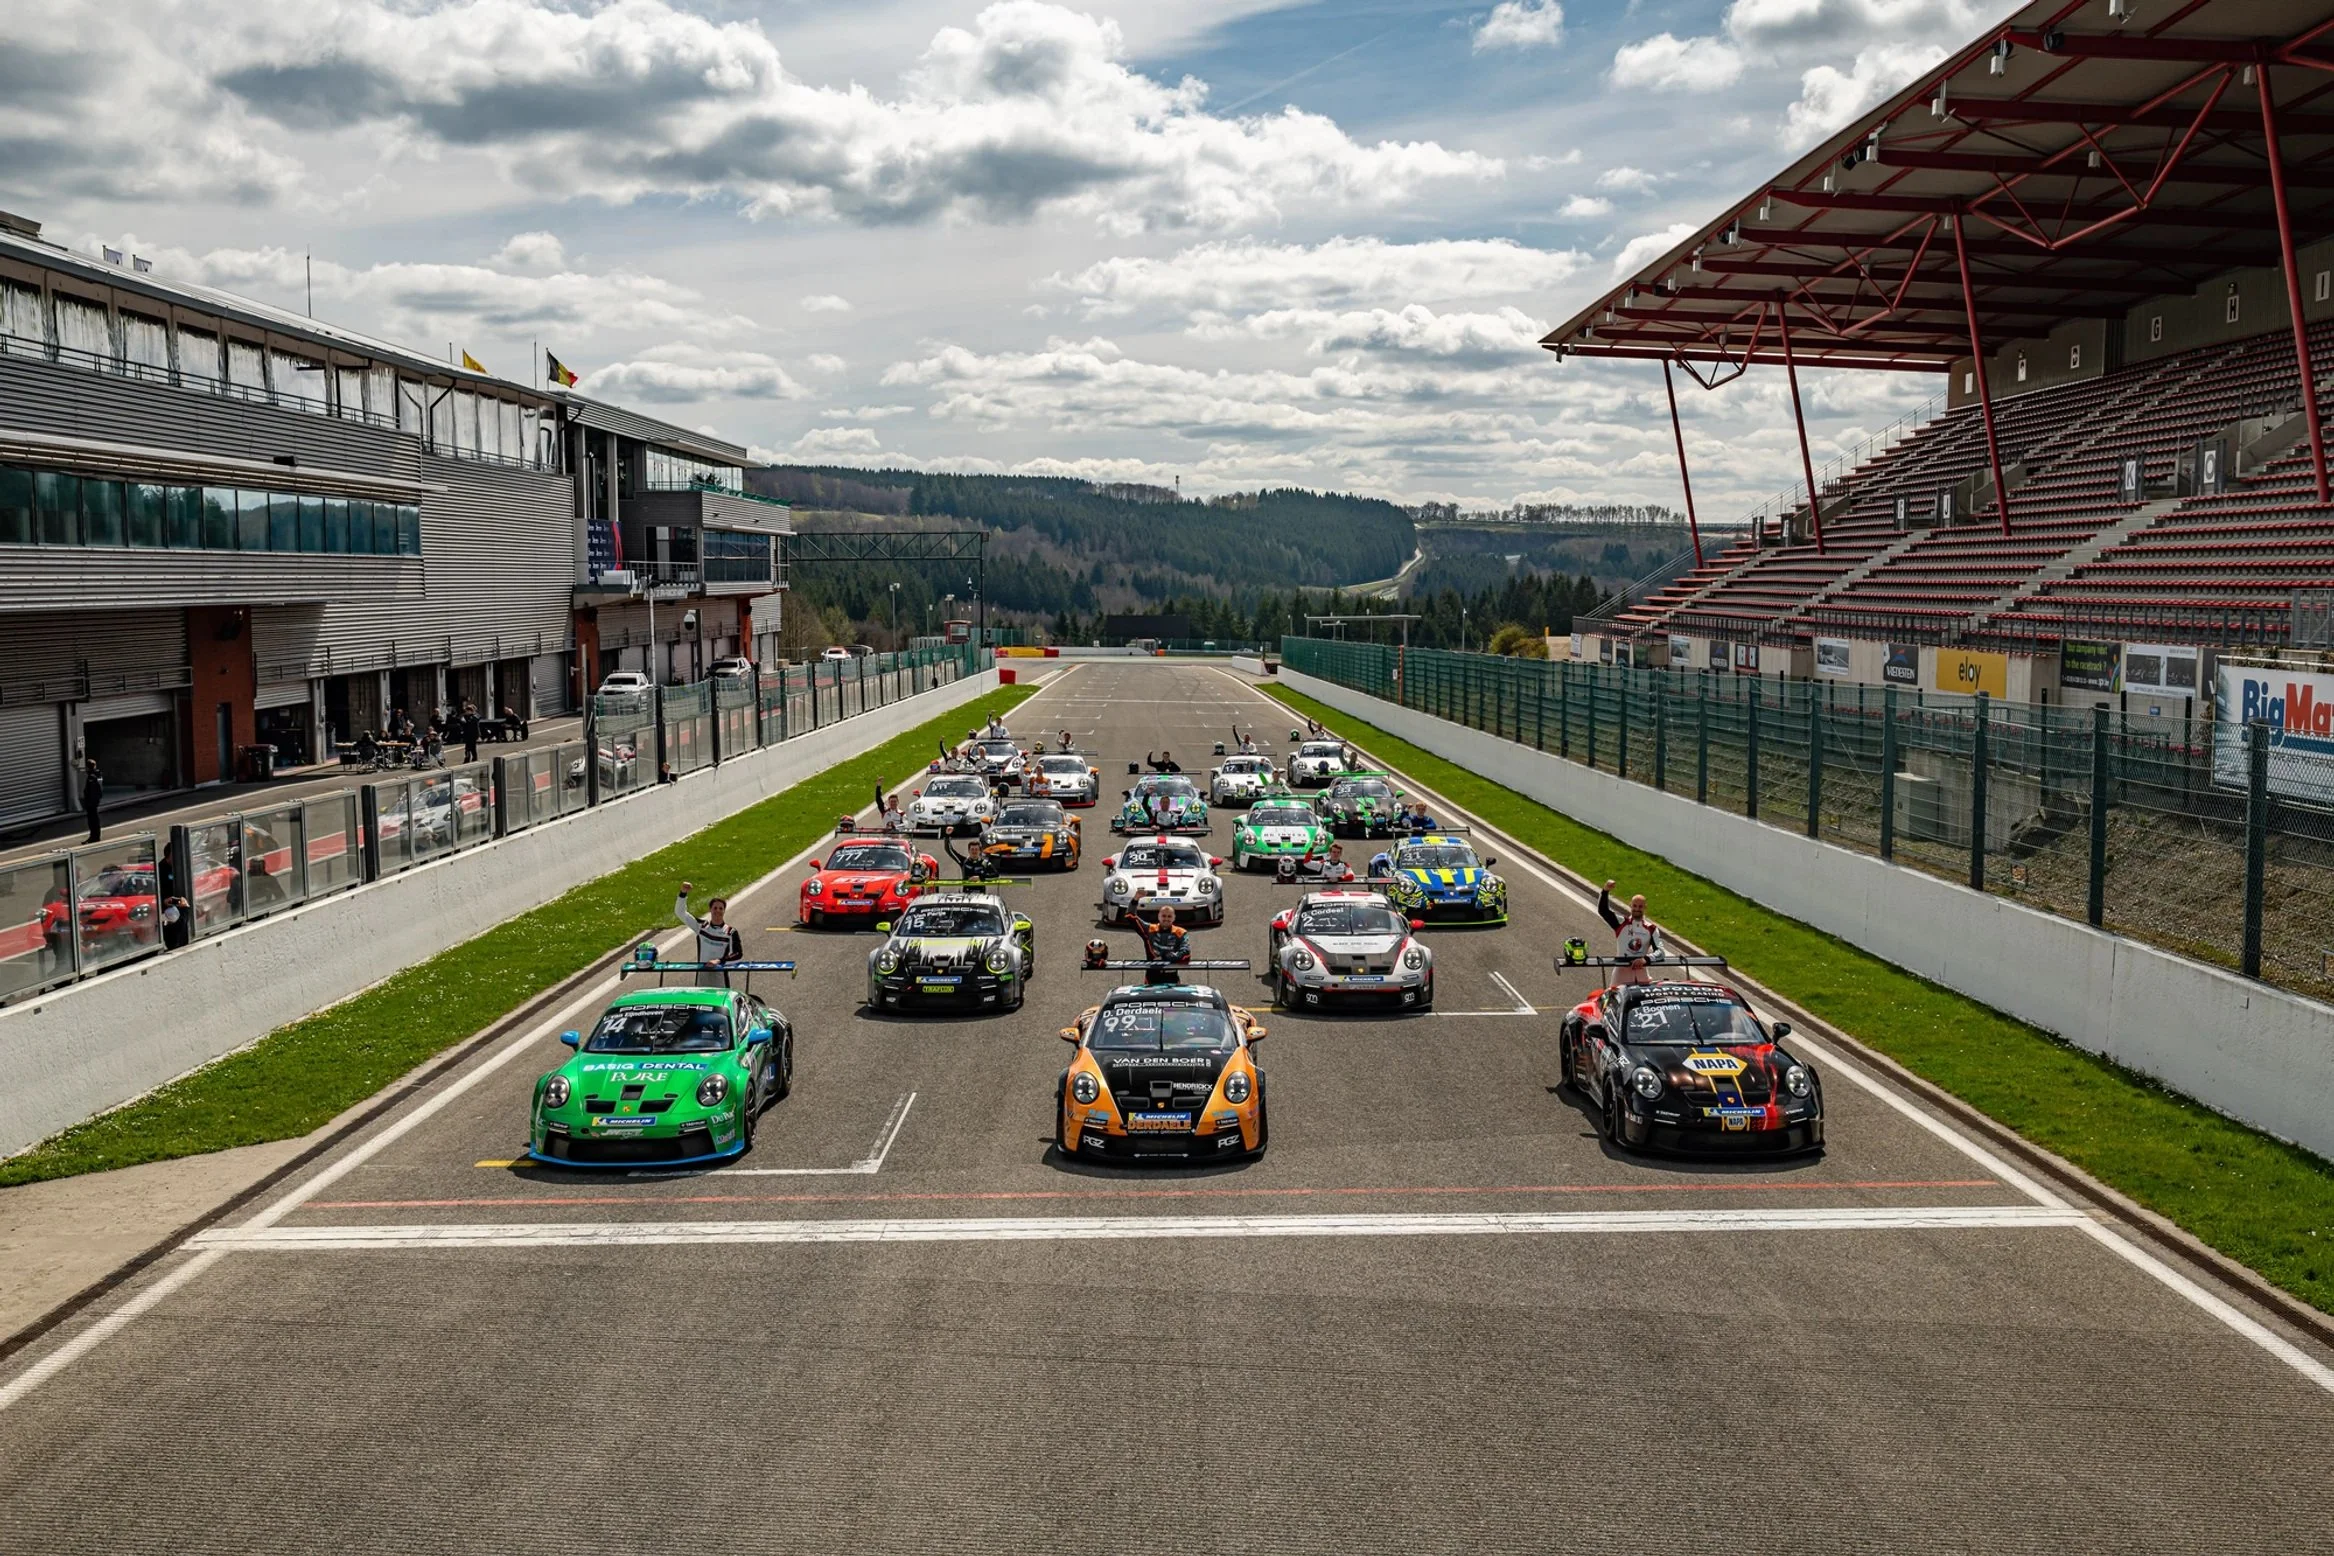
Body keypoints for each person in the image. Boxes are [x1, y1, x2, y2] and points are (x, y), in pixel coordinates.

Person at [675, 880, 744, 985]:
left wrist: (719, 961)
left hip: (720, 980)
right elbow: (680, 913)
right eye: (715, 908)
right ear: (710, 910)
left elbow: (738, 954)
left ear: (724, 911)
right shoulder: (701, 927)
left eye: (721, 908)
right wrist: (683, 893)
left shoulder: (730, 932)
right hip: (702, 978)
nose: (717, 911)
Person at [1598, 879, 1664, 983]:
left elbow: (1661, 952)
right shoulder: (1621, 923)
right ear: (1630, 905)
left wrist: (1645, 960)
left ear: (1645, 907)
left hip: (1642, 977)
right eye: (1635, 906)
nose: (1637, 909)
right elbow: (1603, 911)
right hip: (1620, 976)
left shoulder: (1652, 928)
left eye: (1640, 906)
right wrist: (1605, 890)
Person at [1133, 903, 1190, 986]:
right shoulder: (1150, 929)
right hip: (1151, 978)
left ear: (1174, 918)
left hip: (1172, 978)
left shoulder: (1181, 932)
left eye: (1169, 916)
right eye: (1163, 916)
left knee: (1173, 999)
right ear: (1158, 916)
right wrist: (1135, 899)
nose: (1166, 919)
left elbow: (1186, 952)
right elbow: (1130, 917)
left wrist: (1165, 957)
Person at [80, 758, 102, 843]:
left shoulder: (91, 777)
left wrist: (88, 801)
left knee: (92, 820)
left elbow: (91, 790)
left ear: (88, 767)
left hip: (92, 801)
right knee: (95, 819)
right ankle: (96, 836)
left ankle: (94, 837)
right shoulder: (98, 775)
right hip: (96, 800)